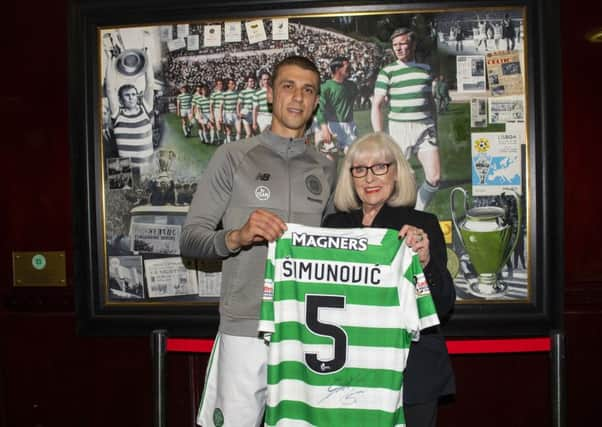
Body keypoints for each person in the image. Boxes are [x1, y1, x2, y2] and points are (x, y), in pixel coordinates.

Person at [180, 55, 337, 427]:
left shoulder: (329, 167)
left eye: (308, 90)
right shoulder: (233, 156)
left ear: (316, 102)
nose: (298, 97)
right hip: (244, 326)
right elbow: (190, 239)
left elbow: (348, 246)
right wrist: (237, 236)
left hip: (307, 330)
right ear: (269, 94)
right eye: (288, 86)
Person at [323, 131, 455, 427]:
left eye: (380, 167)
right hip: (346, 371)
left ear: (396, 172)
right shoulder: (332, 226)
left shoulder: (422, 225)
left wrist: (425, 262)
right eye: (360, 169)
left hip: (411, 374)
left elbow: (443, 305)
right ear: (350, 176)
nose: (369, 178)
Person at [371, 27, 441, 211]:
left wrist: (436, 126)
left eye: (403, 43)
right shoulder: (388, 72)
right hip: (399, 129)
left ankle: (417, 212)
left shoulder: (426, 70)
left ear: (413, 44)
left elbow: (430, 102)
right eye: (395, 45)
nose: (399, 48)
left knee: (434, 178)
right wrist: (379, 137)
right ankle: (388, 218)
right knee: (397, 182)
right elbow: (377, 105)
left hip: (426, 127)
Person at [105, 47, 155, 167]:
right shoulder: (118, 114)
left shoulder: (145, 109)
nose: (132, 97)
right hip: (128, 170)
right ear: (121, 101)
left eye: (133, 94)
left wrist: (146, 56)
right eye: (127, 95)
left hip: (148, 167)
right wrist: (110, 60)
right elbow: (110, 89)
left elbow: (150, 85)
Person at [315, 56, 359, 154]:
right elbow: (319, 109)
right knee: (331, 163)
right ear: (337, 69)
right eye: (347, 67)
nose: (350, 69)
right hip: (332, 127)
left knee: (353, 161)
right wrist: (324, 128)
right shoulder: (325, 87)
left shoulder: (352, 86)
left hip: (350, 126)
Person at [236, 74, 257, 139]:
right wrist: (238, 113)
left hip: (253, 114)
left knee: (254, 133)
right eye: (250, 81)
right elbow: (238, 104)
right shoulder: (243, 92)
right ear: (247, 83)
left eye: (253, 81)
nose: (252, 82)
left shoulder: (256, 92)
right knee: (249, 133)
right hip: (245, 113)